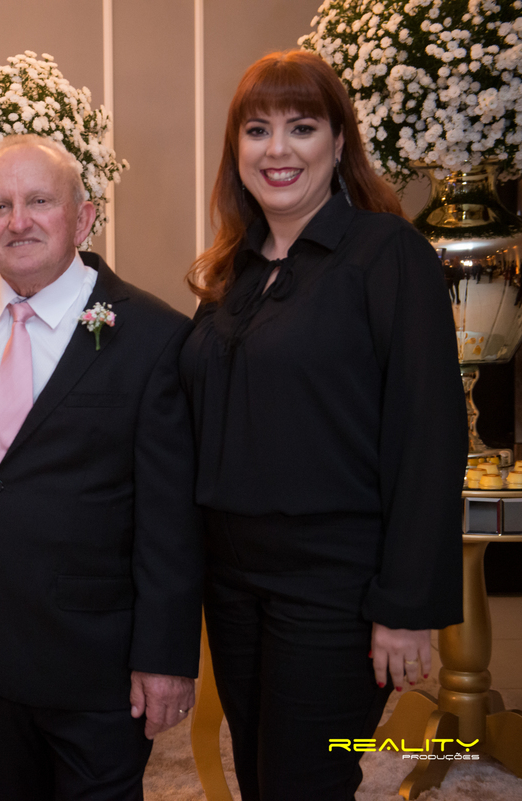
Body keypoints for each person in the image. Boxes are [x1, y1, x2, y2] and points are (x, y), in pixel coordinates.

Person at [180, 50, 466, 800]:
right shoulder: (232, 270)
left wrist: (406, 608)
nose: (277, 149)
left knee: (304, 781)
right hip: (231, 580)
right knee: (261, 776)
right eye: (257, 130)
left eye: (301, 127)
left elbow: (430, 436)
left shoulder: (387, 254)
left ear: (339, 142)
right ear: (235, 150)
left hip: (336, 583)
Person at [0, 134, 204, 800]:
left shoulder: (154, 336)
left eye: (39, 202)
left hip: (96, 665)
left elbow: (171, 518)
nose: (18, 221)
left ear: (83, 218)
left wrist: (165, 657)